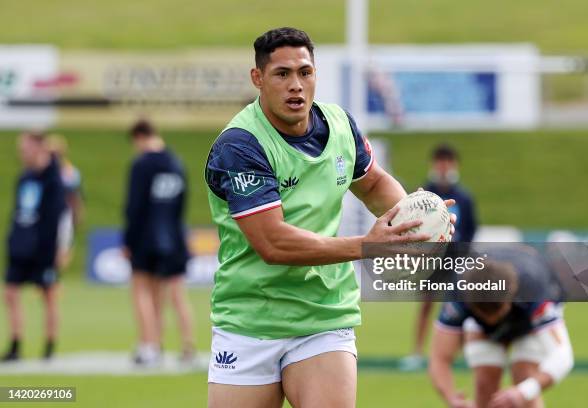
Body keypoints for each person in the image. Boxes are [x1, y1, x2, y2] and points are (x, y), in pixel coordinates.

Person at [204, 27, 455, 408]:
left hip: (323, 317)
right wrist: (368, 247)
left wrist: (415, 223)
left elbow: (372, 184)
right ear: (258, 79)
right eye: (282, 74)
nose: (296, 86)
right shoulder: (240, 146)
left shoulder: (339, 125)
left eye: (305, 72)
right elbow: (273, 243)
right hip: (249, 321)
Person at [429, 246, 573, 408]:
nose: (492, 321)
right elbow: (440, 358)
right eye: (484, 314)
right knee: (485, 383)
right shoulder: (458, 292)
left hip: (526, 314)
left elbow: (563, 356)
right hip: (485, 318)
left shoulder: (534, 291)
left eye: (497, 313)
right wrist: (451, 399)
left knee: (524, 377)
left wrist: (523, 391)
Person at [123, 119, 195, 366]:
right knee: (172, 294)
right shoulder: (176, 163)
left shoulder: (142, 164)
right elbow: (182, 204)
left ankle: (149, 345)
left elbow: (134, 206)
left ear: (139, 137)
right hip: (173, 236)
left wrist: (128, 240)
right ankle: (186, 344)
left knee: (142, 290)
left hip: (146, 237)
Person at [404, 143, 478, 368]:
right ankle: (417, 352)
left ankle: (465, 354)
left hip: (456, 260)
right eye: (440, 161)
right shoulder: (425, 194)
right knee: (426, 305)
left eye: (448, 162)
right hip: (431, 260)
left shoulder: (464, 198)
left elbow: (471, 229)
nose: (444, 166)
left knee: (463, 307)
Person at [2, 131, 66, 361]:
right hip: (20, 245)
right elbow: (19, 212)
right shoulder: (25, 177)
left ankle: (49, 345)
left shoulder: (54, 178)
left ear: (38, 148)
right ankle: (15, 344)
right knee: (10, 293)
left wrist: (58, 249)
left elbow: (60, 217)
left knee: (48, 296)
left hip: (43, 249)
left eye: (25, 148)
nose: (22, 154)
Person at [47, 134, 84, 269]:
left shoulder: (69, 172)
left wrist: (77, 214)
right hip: (45, 214)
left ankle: (54, 273)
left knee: (62, 248)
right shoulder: (40, 171)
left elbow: (74, 196)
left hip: (63, 214)